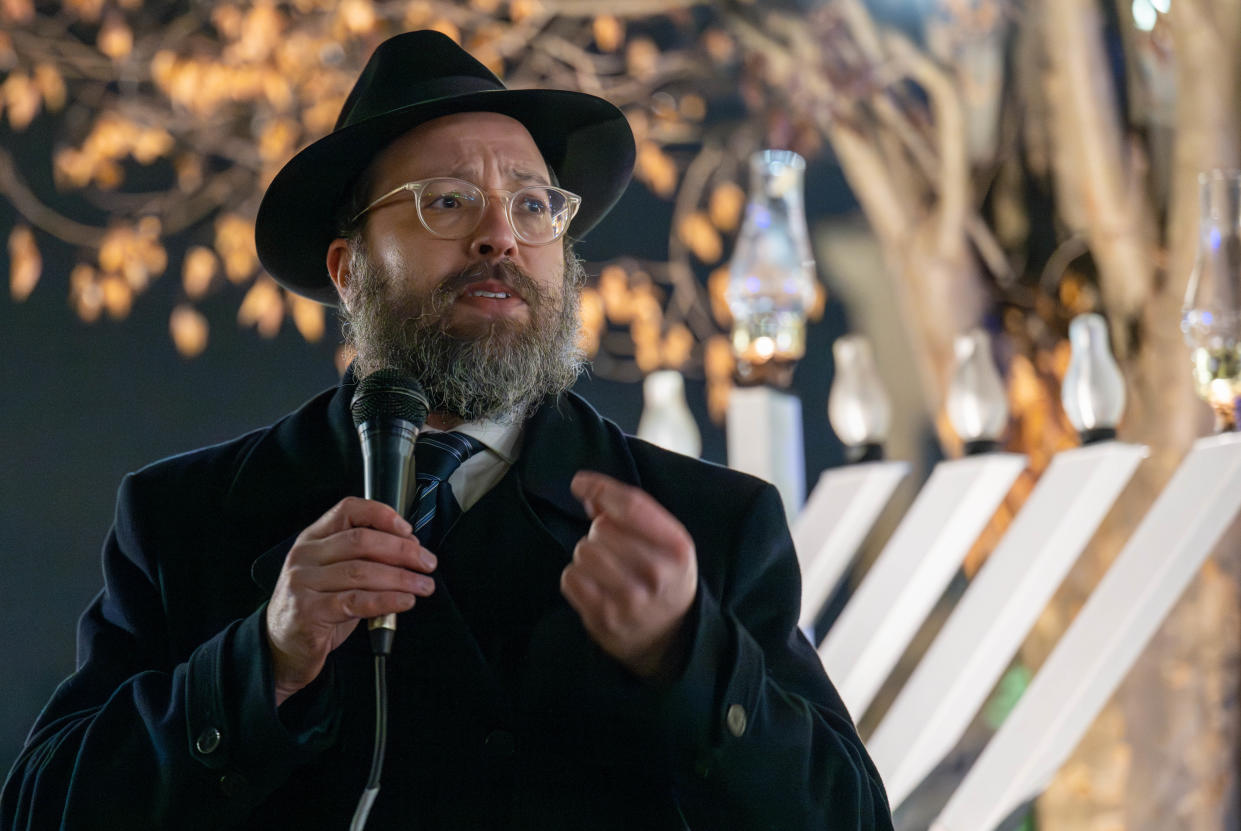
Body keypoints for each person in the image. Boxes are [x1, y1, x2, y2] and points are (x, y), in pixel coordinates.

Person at [2, 30, 892, 830]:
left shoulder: (705, 523)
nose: (500, 235)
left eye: (535, 205)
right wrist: (262, 659)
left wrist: (689, 656)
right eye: (446, 202)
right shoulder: (185, 516)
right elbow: (44, 806)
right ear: (349, 270)